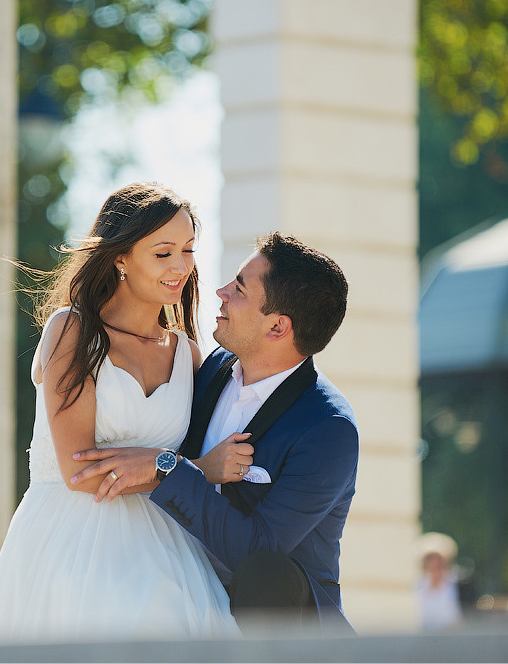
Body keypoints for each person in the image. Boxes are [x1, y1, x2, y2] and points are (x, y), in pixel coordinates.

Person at [0, 183, 239, 643]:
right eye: (163, 253)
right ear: (120, 257)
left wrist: (167, 468)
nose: (181, 266)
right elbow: (83, 473)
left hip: (168, 547)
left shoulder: (188, 355)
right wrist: (189, 467)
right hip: (74, 542)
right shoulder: (72, 331)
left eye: (188, 249)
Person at [73, 233, 359, 633]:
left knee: (266, 573)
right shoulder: (213, 368)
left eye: (239, 289)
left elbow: (258, 552)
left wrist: (166, 468)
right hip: (177, 590)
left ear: (277, 326)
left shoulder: (328, 430)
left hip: (279, 633)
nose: (221, 292)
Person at [417, 532, 463, 631]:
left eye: (438, 558)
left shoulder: (454, 582)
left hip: (448, 635)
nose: (434, 562)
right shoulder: (417, 583)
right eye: (430, 558)